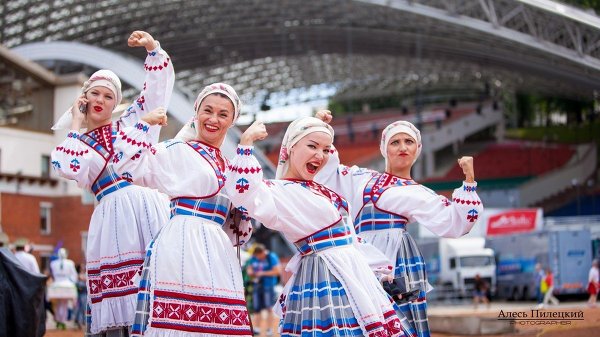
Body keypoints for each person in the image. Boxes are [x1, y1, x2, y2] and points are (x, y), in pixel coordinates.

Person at [225, 117, 416, 337]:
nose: (320, 155)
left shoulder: (320, 189)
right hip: (324, 277)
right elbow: (243, 193)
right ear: (291, 148)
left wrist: (380, 274)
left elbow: (350, 239)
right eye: (312, 146)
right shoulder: (276, 191)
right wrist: (246, 144)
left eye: (326, 149)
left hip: (355, 275)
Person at [50, 30, 174, 336]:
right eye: (95, 93)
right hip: (113, 215)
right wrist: (77, 125)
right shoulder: (76, 140)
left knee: (155, 288)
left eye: (109, 96)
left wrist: (152, 49)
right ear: (84, 97)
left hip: (147, 204)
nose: (101, 100)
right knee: (121, 301)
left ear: (116, 103)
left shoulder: (129, 123)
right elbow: (67, 165)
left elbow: (157, 93)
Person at [314, 111, 482, 337]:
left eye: (409, 141)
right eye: (395, 142)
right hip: (359, 258)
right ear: (385, 149)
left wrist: (469, 181)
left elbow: (456, 223)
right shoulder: (360, 177)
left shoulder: (421, 193)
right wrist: (321, 130)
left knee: (400, 324)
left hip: (398, 263)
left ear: (417, 149)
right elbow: (326, 172)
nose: (402, 147)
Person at [111, 83, 254, 336]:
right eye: (207, 110)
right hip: (183, 243)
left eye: (223, 114)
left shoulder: (229, 165)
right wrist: (144, 124)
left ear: (232, 120)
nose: (213, 119)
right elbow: (127, 166)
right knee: (181, 323)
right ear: (196, 112)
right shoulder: (177, 150)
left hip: (217, 250)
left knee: (217, 322)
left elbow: (239, 230)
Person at [246, 244, 280, 336]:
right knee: (256, 308)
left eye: (259, 255)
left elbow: (277, 271)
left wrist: (262, 273)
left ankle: (269, 329)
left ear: (262, 252)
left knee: (269, 307)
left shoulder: (271, 257)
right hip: (257, 285)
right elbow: (249, 268)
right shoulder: (254, 257)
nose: (258, 257)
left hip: (268, 285)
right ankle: (256, 328)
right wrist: (251, 272)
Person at [48, 248, 78, 330]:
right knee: (64, 304)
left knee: (58, 305)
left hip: (56, 286)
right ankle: (61, 321)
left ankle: (59, 320)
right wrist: (71, 282)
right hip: (67, 286)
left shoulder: (53, 263)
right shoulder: (70, 263)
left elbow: (53, 275)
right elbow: (74, 276)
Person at [74, 264, 87, 329]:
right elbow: (77, 283)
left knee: (83, 308)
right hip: (80, 293)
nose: (83, 268)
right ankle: (79, 321)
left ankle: (83, 321)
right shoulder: (78, 275)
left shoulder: (85, 274)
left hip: (85, 293)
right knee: (79, 308)